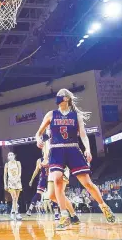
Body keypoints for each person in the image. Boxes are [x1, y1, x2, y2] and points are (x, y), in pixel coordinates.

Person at [35, 88, 115, 230]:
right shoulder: (51, 114)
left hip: (73, 148)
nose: (58, 98)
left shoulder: (75, 115)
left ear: (66, 99)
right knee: (57, 180)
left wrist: (88, 149)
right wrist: (38, 139)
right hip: (56, 149)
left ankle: (104, 206)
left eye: (60, 96)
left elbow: (83, 135)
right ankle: (64, 216)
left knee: (87, 183)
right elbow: (39, 132)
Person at [26, 148, 49, 216]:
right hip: (43, 177)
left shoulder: (52, 158)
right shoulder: (39, 160)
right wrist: (31, 180)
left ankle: (57, 213)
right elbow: (36, 171)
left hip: (51, 178)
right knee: (38, 193)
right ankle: (30, 209)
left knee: (53, 194)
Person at [4, 152, 22, 220]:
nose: (10, 156)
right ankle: (17, 213)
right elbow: (5, 175)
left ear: (14, 156)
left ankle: (12, 212)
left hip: (17, 182)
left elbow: (20, 172)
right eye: (9, 155)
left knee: (16, 199)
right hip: (10, 182)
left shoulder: (18, 163)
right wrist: (5, 184)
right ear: (8, 157)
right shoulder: (7, 164)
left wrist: (17, 179)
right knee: (14, 197)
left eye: (11, 154)